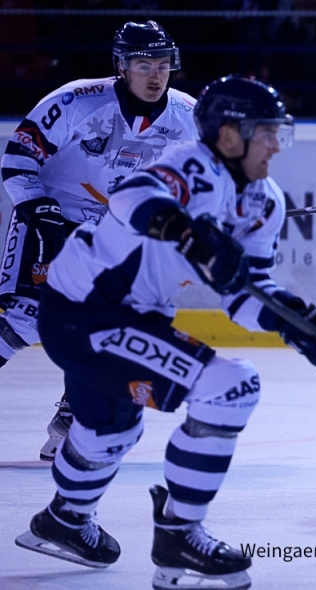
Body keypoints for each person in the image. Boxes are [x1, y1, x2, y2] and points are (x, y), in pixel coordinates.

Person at [13, 75, 316, 589]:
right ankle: (179, 533)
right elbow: (130, 199)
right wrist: (189, 232)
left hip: (126, 316)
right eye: (266, 133)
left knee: (111, 428)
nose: (275, 145)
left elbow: (247, 296)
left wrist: (300, 326)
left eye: (278, 133)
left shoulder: (266, 203)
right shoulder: (188, 165)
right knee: (231, 385)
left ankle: (63, 520)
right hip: (86, 313)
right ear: (227, 135)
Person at [0, 20, 197, 461]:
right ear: (121, 66)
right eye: (143, 64)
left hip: (116, 235)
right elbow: (17, 160)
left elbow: (209, 182)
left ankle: (73, 424)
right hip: (52, 218)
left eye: (163, 65)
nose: (155, 76)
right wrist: (38, 208)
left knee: (112, 328)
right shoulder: (76, 101)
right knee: (25, 319)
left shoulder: (188, 117)